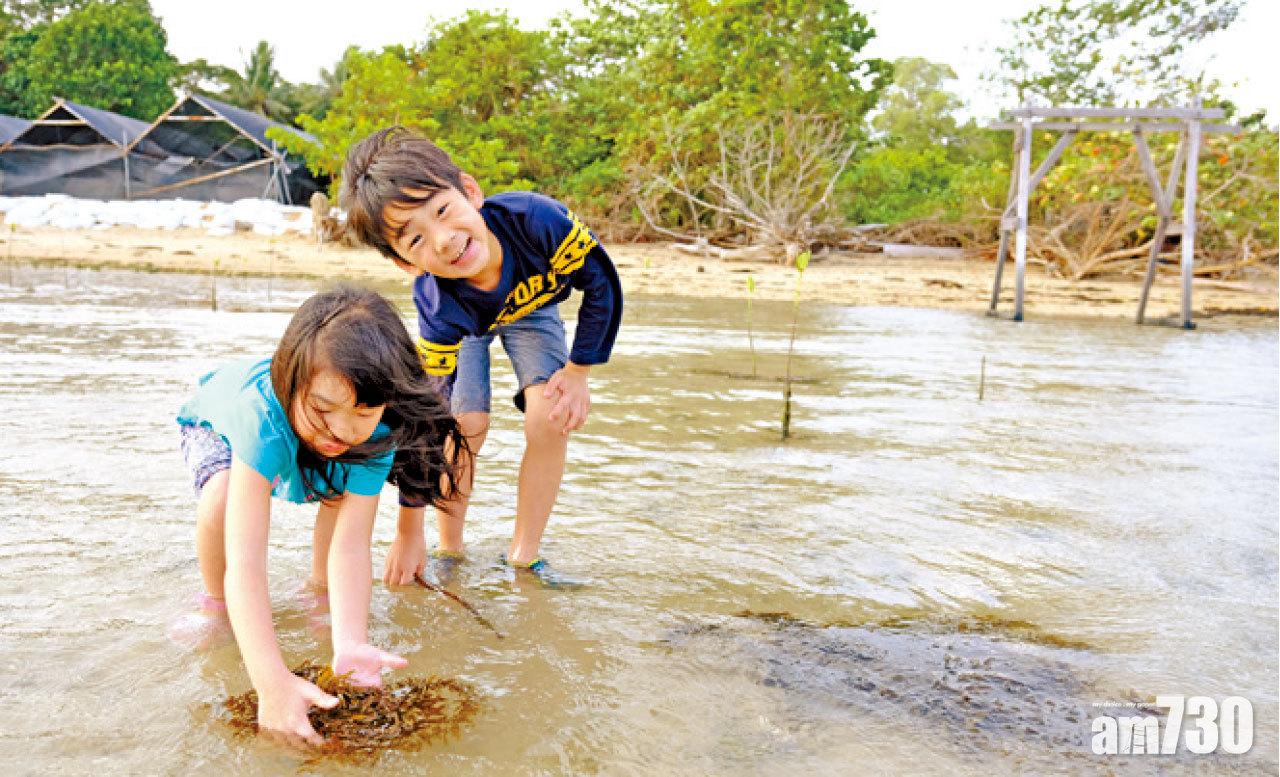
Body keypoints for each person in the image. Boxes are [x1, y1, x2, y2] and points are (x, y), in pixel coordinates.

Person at [172, 284, 466, 748]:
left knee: (339, 488)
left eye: (363, 413)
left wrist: (350, 642)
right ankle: (214, 602)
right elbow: (246, 565)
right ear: (293, 385)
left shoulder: (374, 433)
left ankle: (318, 587)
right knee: (224, 497)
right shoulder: (262, 423)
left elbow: (352, 544)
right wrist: (270, 683)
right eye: (325, 409)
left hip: (298, 420)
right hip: (220, 427)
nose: (342, 431)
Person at [340, 127, 623, 587]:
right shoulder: (438, 307)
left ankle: (524, 557)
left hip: (532, 307)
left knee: (550, 415)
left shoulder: (538, 221)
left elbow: (602, 285)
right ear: (405, 263)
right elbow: (425, 416)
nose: (444, 240)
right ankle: (449, 548)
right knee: (464, 424)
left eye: (443, 211)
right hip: (466, 325)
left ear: (470, 191)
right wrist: (408, 530)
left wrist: (578, 372)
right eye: (415, 240)